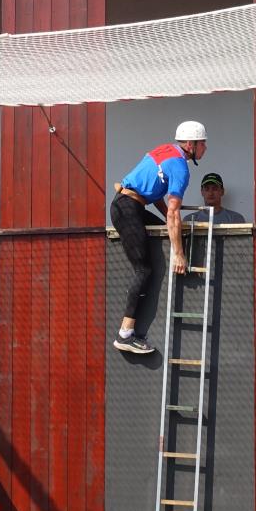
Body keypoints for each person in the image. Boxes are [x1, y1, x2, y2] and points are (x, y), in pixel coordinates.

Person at [110, 122, 208, 355]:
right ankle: (125, 334)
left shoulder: (166, 150)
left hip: (129, 205)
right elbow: (174, 212)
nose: (205, 148)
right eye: (203, 143)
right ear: (190, 144)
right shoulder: (180, 168)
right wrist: (179, 254)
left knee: (167, 230)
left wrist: (167, 219)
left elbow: (154, 194)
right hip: (128, 209)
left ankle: (128, 331)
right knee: (144, 270)